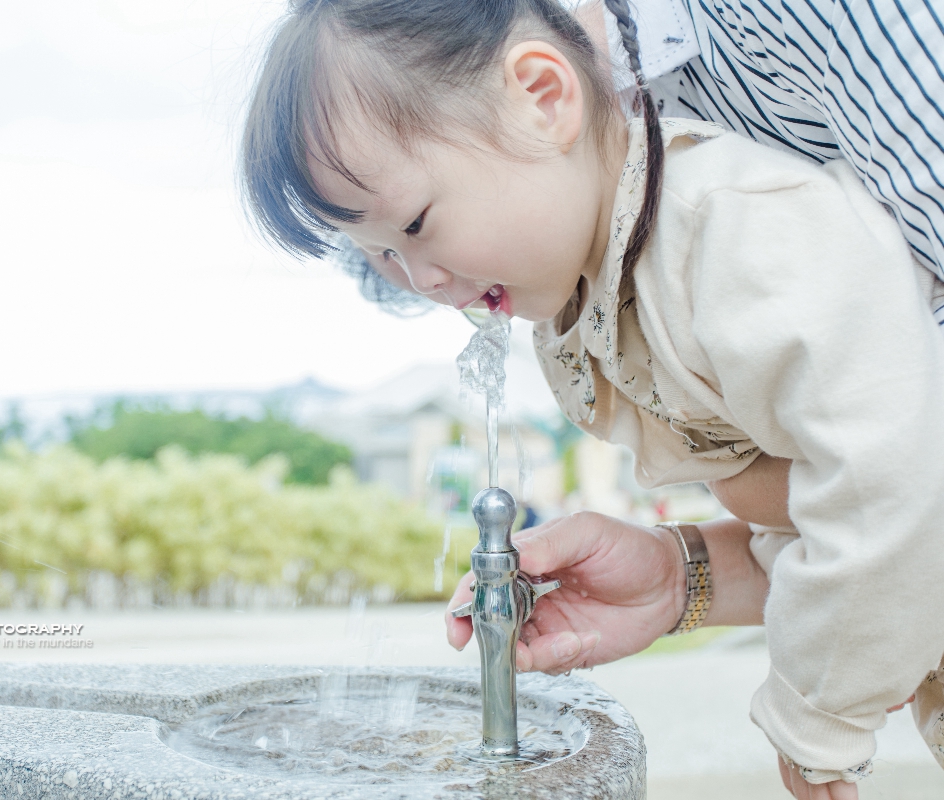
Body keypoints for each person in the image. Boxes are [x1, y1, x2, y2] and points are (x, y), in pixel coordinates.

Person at [237, 2, 944, 799]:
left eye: (417, 224)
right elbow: (851, 513)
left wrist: (818, 710)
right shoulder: (599, 295)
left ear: (543, 97)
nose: (425, 282)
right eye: (383, 256)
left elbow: (894, 481)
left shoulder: (732, 233)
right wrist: (689, 576)